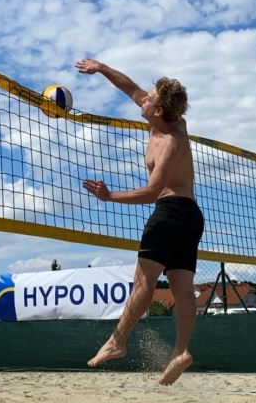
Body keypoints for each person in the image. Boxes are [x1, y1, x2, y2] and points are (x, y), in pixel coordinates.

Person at [76, 58, 204, 385]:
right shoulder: (173, 123)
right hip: (191, 216)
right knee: (182, 286)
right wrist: (101, 68)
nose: (141, 98)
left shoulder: (169, 143)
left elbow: (151, 192)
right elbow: (130, 87)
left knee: (144, 283)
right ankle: (180, 352)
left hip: (169, 213)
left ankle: (117, 341)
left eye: (148, 98)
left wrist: (109, 196)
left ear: (158, 110)